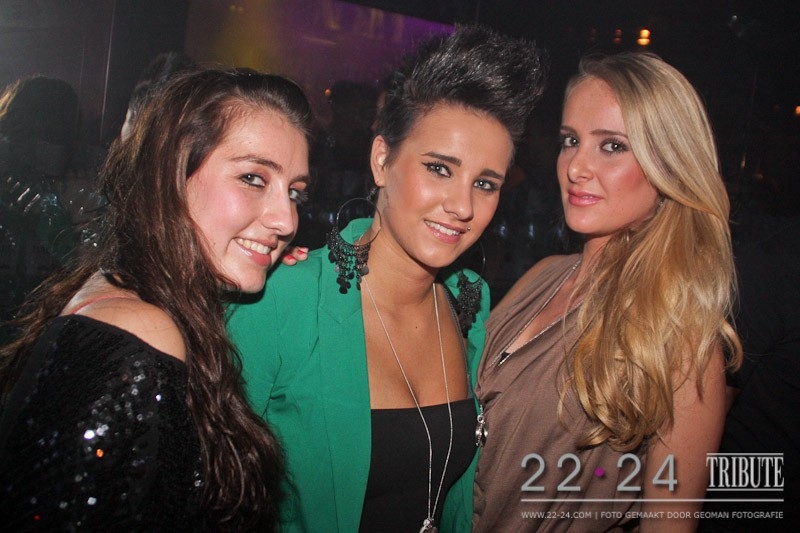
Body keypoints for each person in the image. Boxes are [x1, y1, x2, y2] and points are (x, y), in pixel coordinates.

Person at [227, 25, 546, 533]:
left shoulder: (471, 301)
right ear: (382, 160)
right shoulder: (283, 298)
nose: (463, 206)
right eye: (439, 169)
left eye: (485, 184)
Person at [0, 67, 314, 531]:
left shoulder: (132, 292)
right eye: (253, 178)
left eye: (295, 193)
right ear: (171, 176)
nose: (286, 220)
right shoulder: (139, 334)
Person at [472, 52, 742, 532]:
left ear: (668, 164)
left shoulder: (680, 339)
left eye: (612, 146)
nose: (576, 166)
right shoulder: (544, 275)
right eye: (570, 141)